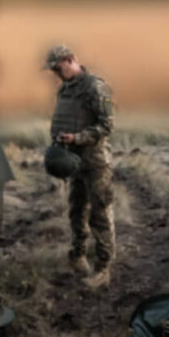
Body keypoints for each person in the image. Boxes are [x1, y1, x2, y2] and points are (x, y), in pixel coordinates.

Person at [44, 44, 115, 289]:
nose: (55, 73)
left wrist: (78, 138)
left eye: (57, 67)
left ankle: (103, 268)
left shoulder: (95, 87)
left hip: (95, 162)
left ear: (70, 59)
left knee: (100, 214)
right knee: (76, 211)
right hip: (73, 161)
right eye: (52, 70)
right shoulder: (64, 90)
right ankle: (78, 256)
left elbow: (106, 126)